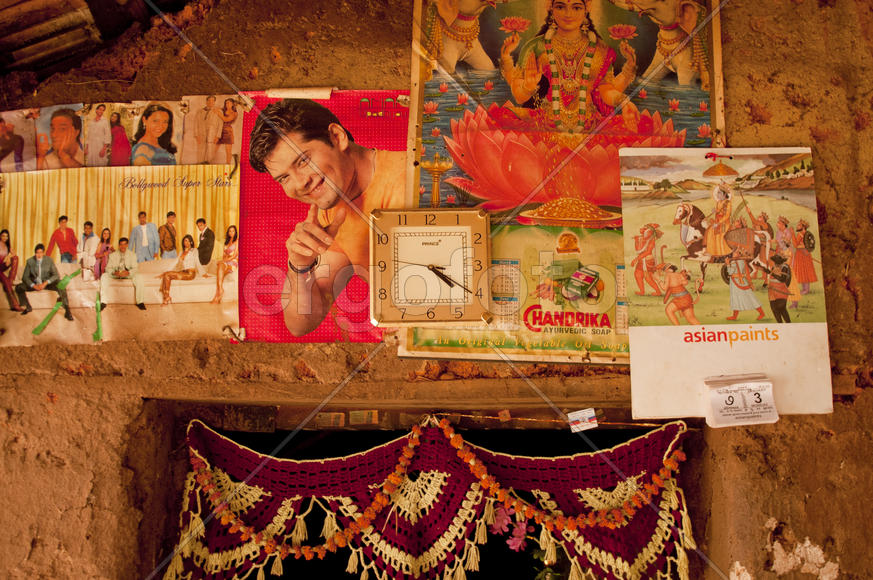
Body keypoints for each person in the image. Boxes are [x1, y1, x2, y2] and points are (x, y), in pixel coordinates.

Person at [248, 98, 405, 336]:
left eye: (303, 160)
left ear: (337, 136)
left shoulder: (416, 178)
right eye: (284, 178)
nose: (300, 183)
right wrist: (299, 266)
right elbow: (302, 322)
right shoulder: (331, 216)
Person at [499, 0, 639, 132]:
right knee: (501, 117)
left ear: (587, 7)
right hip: (545, 122)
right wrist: (527, 87)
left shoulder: (600, 50)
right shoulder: (535, 47)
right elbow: (518, 97)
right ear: (550, 6)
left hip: (589, 125)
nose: (568, 14)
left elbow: (606, 90)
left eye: (576, 7)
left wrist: (624, 102)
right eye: (560, 7)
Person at [15, 243, 73, 320]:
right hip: (35, 283)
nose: (39, 255)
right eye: (37, 253)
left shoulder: (49, 260)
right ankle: (27, 306)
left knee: (61, 284)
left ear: (43, 253)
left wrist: (45, 283)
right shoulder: (30, 261)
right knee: (19, 287)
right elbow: (25, 277)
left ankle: (67, 310)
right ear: (35, 253)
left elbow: (56, 275)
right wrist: (34, 285)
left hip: (47, 283)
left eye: (41, 252)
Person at [100, 237, 146, 311]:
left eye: (124, 244)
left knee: (139, 277)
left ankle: (140, 302)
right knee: (104, 276)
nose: (123, 246)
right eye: (121, 245)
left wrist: (128, 272)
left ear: (127, 245)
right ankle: (103, 302)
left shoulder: (132, 254)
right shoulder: (113, 255)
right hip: (116, 274)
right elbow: (107, 268)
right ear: (119, 245)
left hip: (128, 274)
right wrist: (114, 272)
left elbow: (135, 268)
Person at [725, 247, 765, 321]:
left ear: (738, 254)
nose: (733, 254)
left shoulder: (733, 262)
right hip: (743, 282)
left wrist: (727, 264)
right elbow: (747, 273)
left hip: (736, 282)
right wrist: (750, 283)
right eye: (734, 252)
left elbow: (730, 272)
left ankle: (735, 316)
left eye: (735, 252)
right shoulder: (743, 261)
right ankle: (735, 316)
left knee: (737, 298)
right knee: (748, 297)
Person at [158, 234, 199, 305]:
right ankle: (167, 297)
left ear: (191, 242)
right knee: (166, 274)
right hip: (183, 272)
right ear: (183, 242)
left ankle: (166, 297)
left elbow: (198, 262)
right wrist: (165, 271)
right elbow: (174, 263)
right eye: (185, 241)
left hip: (190, 274)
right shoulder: (181, 252)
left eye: (189, 241)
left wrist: (204, 273)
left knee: (167, 275)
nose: (187, 243)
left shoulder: (194, 251)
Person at [630, 223, 662, 296]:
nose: (642, 229)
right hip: (641, 260)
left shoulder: (651, 240)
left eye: (645, 229)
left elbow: (648, 252)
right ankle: (642, 291)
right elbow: (638, 250)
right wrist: (636, 240)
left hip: (648, 261)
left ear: (650, 232)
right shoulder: (640, 238)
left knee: (648, 278)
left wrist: (636, 259)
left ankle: (658, 291)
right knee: (637, 275)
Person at [703, 182, 732, 257]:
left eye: (719, 193)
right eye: (717, 193)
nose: (717, 194)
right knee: (709, 230)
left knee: (717, 233)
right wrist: (715, 211)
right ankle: (711, 250)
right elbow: (718, 212)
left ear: (724, 194)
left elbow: (727, 215)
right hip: (717, 222)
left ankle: (720, 252)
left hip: (724, 223)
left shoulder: (728, 203)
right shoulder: (719, 202)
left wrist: (718, 223)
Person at [210, 225, 238, 303]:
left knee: (220, 270)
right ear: (228, 232)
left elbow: (235, 255)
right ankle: (219, 293)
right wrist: (223, 261)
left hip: (233, 262)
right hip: (226, 261)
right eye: (230, 231)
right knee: (220, 271)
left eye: (233, 231)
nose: (231, 232)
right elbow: (223, 255)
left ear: (235, 232)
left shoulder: (237, 241)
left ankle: (217, 295)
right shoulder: (226, 242)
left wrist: (224, 261)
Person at [193, 96, 223, 163]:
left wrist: (218, 136)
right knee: (201, 152)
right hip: (201, 134)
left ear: (214, 102)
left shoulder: (218, 111)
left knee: (210, 152)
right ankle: (200, 165)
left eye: (212, 101)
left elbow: (220, 124)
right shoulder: (200, 112)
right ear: (206, 101)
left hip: (212, 135)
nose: (210, 102)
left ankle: (210, 165)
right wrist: (196, 135)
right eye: (209, 101)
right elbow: (196, 123)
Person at [791, 218, 817, 294]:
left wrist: (792, 234)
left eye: (799, 225)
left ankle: (805, 290)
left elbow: (795, 245)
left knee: (803, 271)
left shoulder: (800, 234)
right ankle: (806, 289)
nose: (797, 226)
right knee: (805, 271)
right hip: (806, 254)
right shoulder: (806, 233)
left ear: (803, 226)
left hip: (801, 255)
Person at [0, 229, 23, 311]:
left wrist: (9, 257)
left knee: (15, 258)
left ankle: (11, 280)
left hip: (2, 266)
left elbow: (14, 255)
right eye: (3, 236)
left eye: (6, 236)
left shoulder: (7, 246)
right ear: (0, 236)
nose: (5, 238)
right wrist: (6, 258)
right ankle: (15, 305)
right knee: (5, 281)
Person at [214, 98, 238, 164]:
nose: (227, 104)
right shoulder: (223, 110)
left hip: (228, 132)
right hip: (219, 131)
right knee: (214, 148)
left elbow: (226, 119)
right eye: (226, 103)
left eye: (229, 103)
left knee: (228, 151)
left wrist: (219, 114)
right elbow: (216, 110)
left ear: (232, 104)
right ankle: (209, 162)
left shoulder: (234, 113)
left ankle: (228, 164)